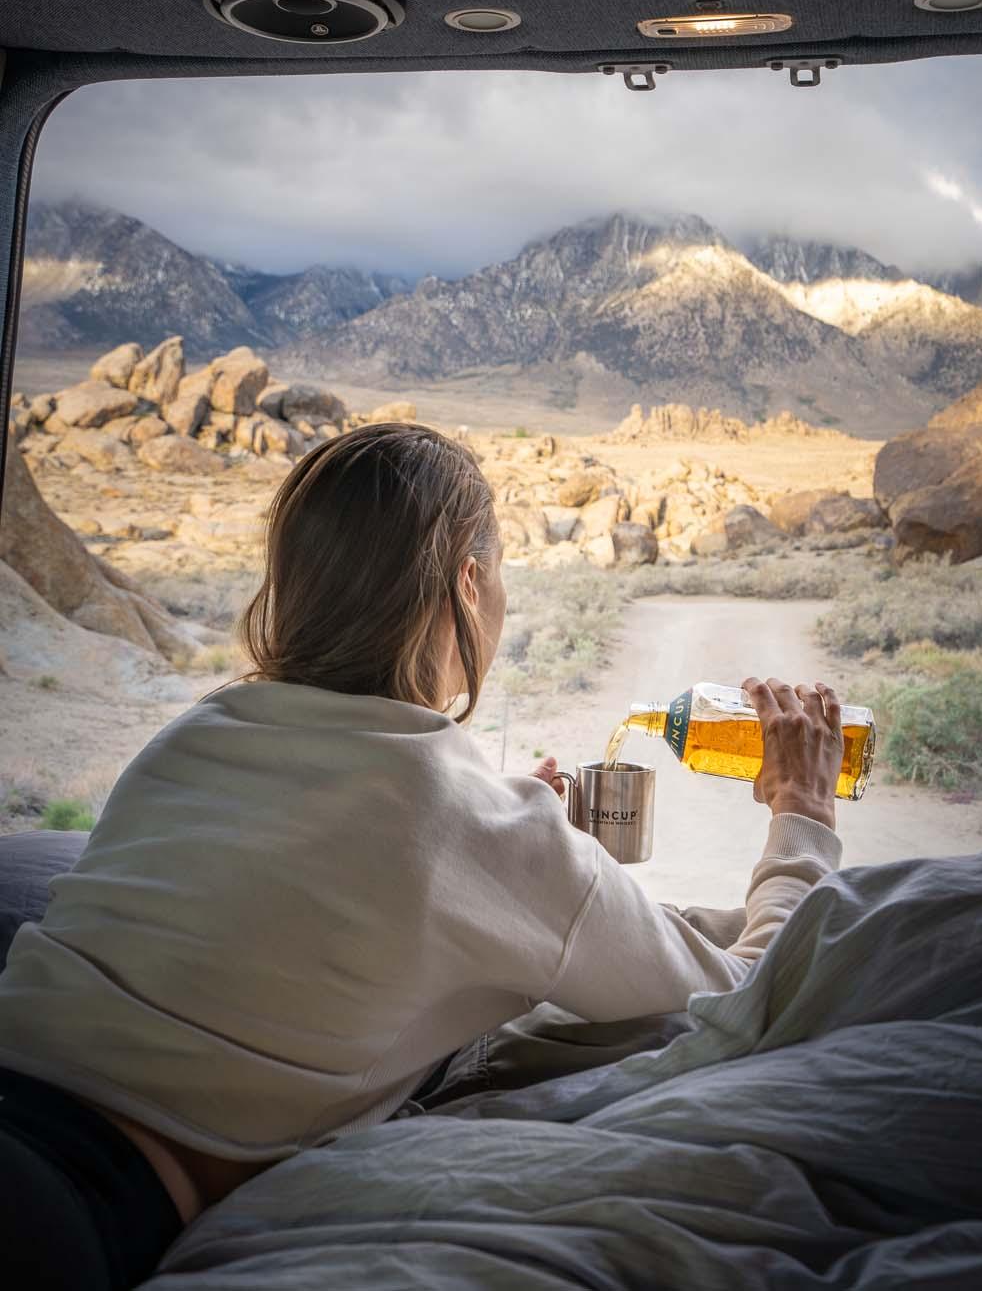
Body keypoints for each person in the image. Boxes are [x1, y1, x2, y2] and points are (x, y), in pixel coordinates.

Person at [0, 423, 844, 1289]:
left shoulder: (193, 736)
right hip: (76, 1202)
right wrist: (802, 810)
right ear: (467, 586)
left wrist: (512, 848)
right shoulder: (473, 818)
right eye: (500, 575)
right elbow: (739, 994)